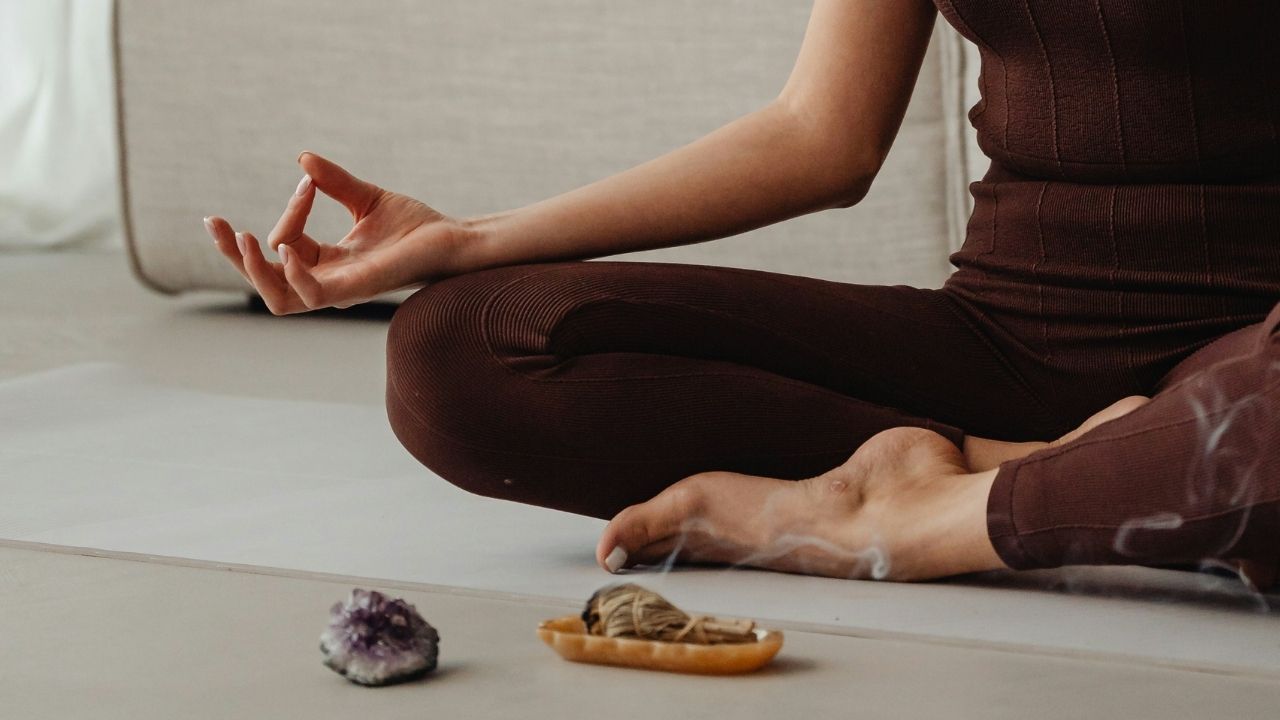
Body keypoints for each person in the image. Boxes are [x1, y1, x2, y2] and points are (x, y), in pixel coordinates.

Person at [203, 0, 1279, 589]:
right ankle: (1087, 475)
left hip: (1257, 354)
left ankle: (913, 517)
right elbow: (820, 135)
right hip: (1003, 347)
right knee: (460, 350)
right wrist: (468, 238)